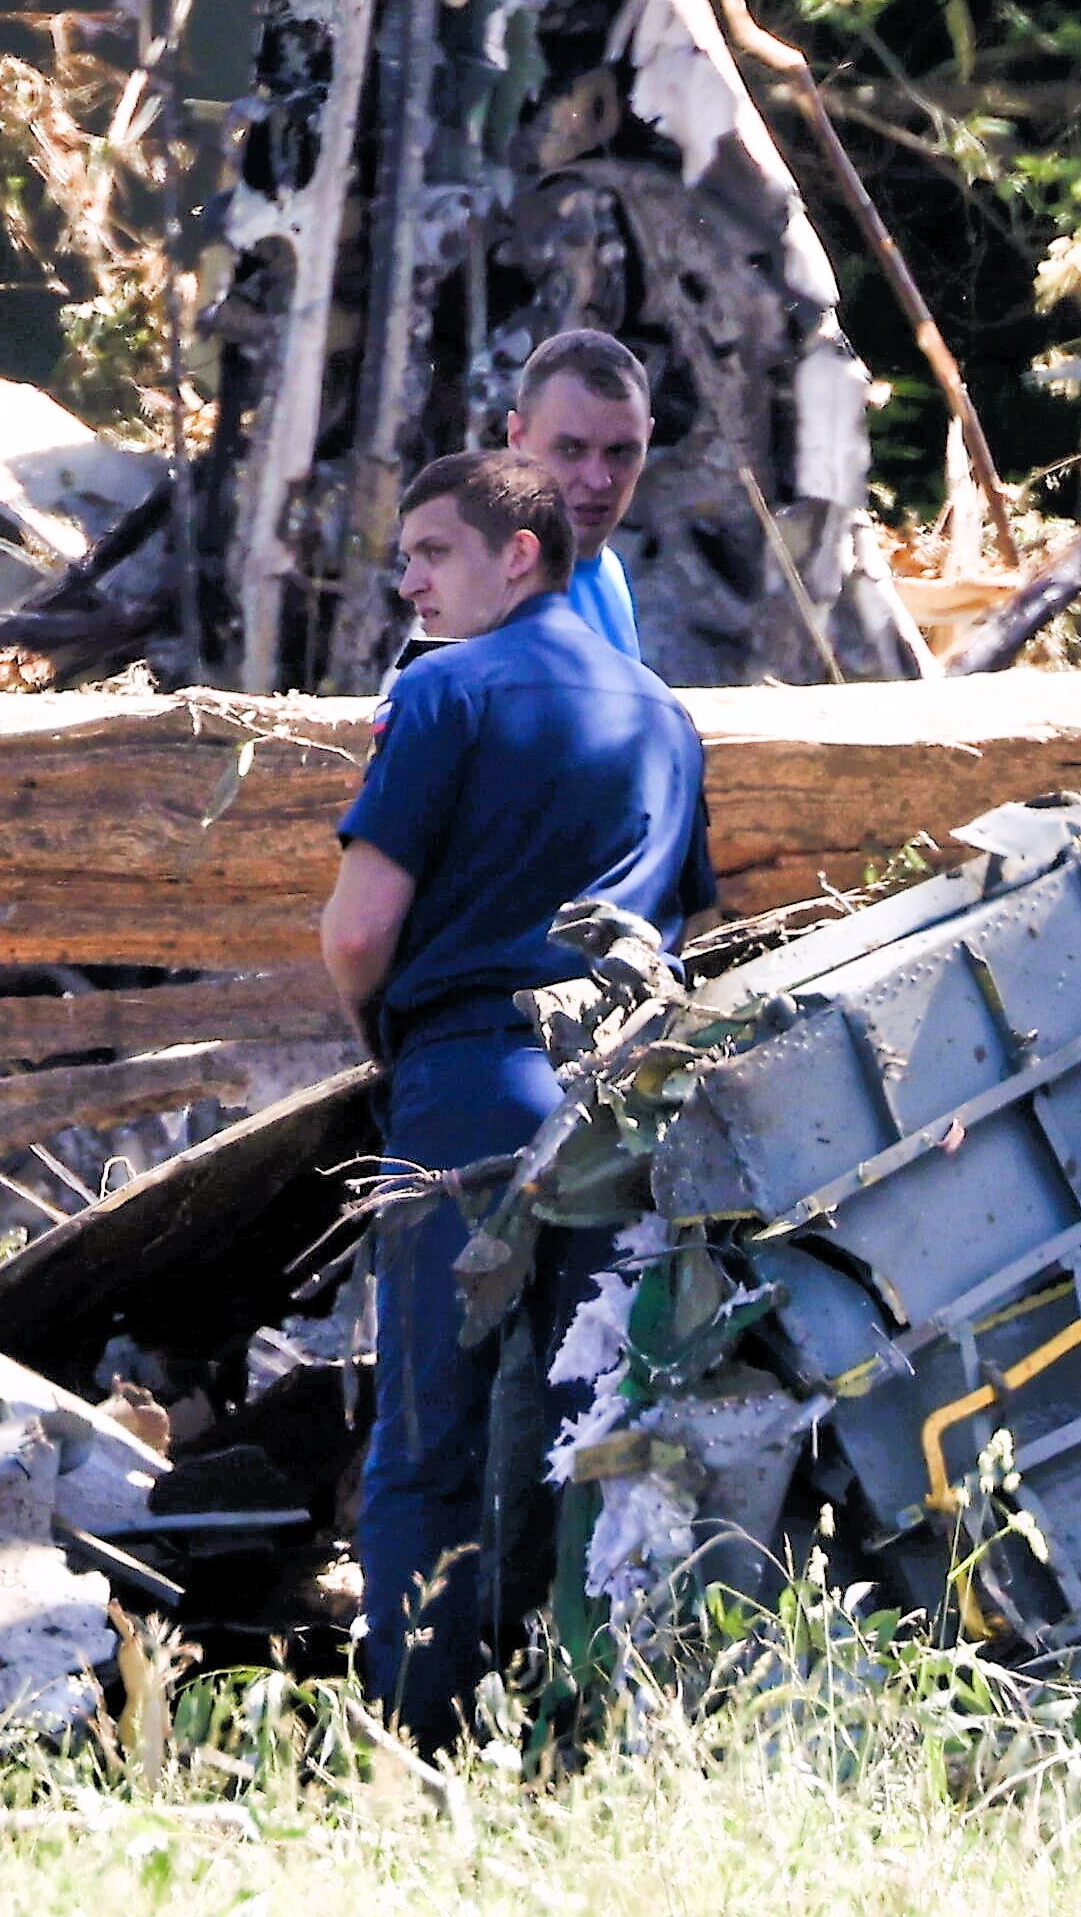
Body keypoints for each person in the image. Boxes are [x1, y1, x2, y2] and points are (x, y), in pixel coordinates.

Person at [314, 451, 711, 1751]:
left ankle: (419, 1758)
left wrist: (389, 1048)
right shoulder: (663, 717)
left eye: (432, 552)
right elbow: (681, 937)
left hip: (472, 1087)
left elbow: (357, 931)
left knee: (430, 1441)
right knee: (589, 1434)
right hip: (623, 1110)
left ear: (518, 554)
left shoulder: (441, 694)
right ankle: (574, 1741)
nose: (408, 580)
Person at [507, 327, 659, 667]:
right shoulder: (484, 590)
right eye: (571, 449)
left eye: (621, 452)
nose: (598, 479)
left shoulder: (610, 573)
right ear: (517, 438)